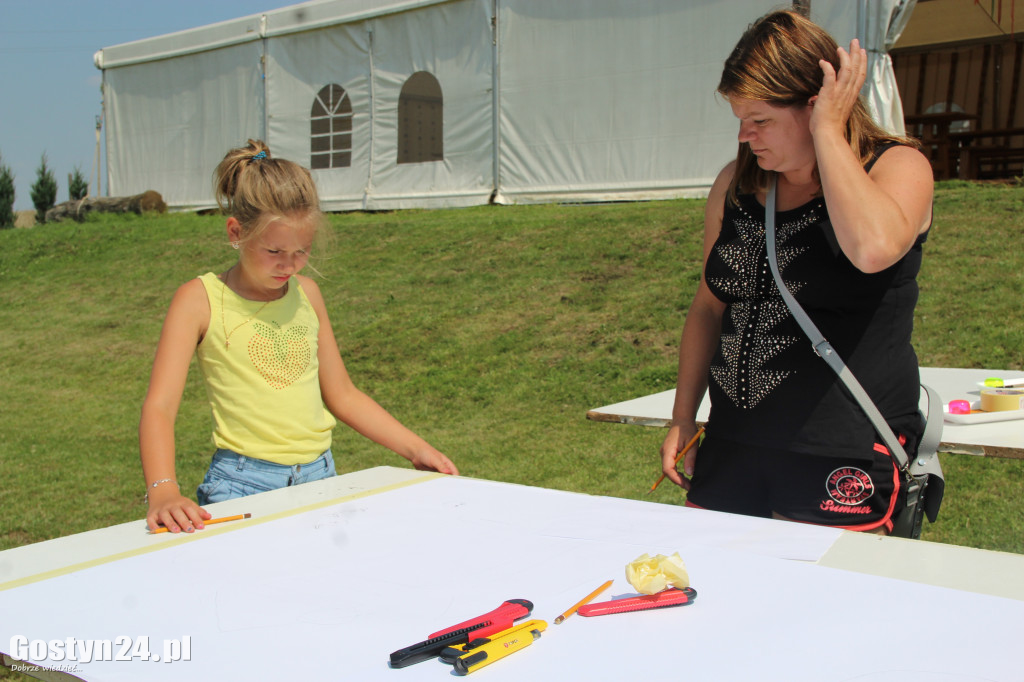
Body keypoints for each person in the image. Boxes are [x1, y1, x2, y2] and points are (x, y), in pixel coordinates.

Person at [659, 10, 933, 534]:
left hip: (841, 451)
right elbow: (708, 306)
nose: (745, 136)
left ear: (816, 105)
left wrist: (828, 132)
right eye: (740, 119)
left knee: (825, 609)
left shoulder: (897, 167)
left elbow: (873, 249)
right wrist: (683, 416)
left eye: (760, 121)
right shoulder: (736, 186)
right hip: (734, 443)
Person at [140, 139, 458, 533]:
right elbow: (160, 407)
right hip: (242, 487)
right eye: (274, 251)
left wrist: (417, 449)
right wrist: (164, 490)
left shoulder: (307, 295)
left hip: (322, 478)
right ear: (235, 232)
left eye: (302, 251)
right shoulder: (198, 301)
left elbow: (342, 394)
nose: (288, 265)